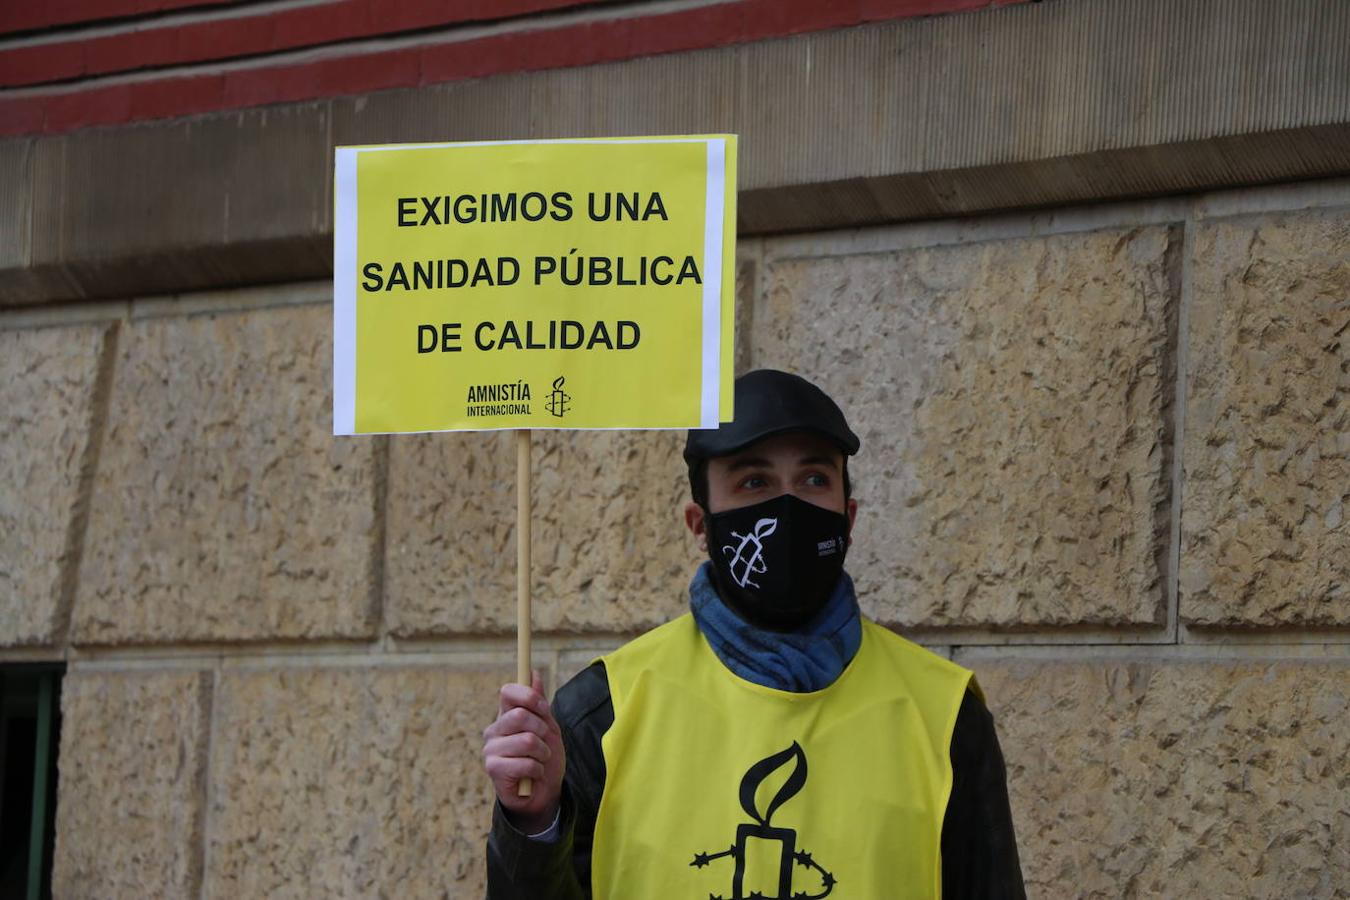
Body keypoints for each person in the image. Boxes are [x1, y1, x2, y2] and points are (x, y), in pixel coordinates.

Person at [482, 369, 1025, 899]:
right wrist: (534, 825)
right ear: (701, 525)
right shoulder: (603, 713)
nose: (786, 507)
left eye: (815, 479)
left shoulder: (946, 715)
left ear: (849, 517)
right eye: (754, 481)